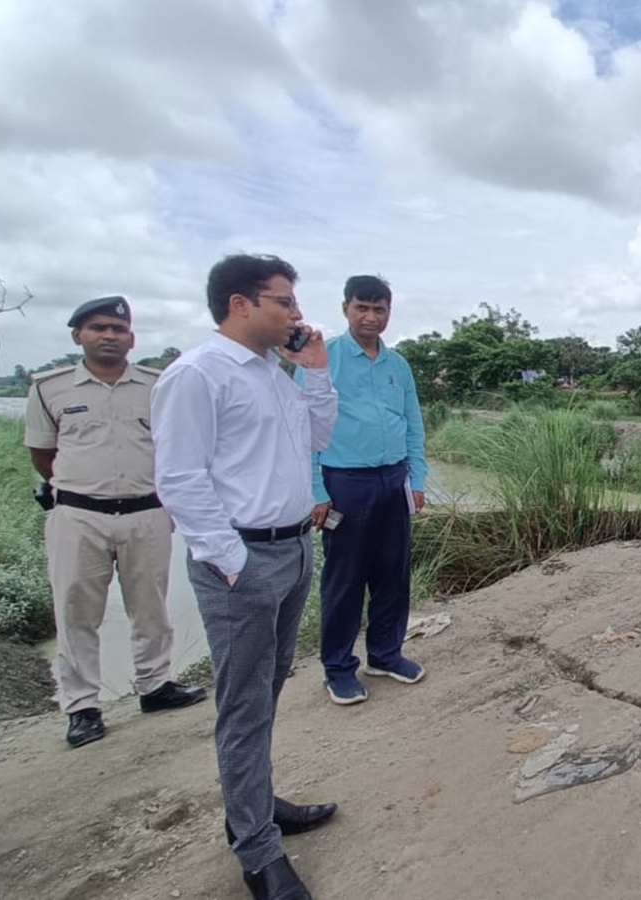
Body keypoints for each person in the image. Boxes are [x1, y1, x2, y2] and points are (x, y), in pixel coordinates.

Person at [151, 255, 340, 900]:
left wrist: (315, 372)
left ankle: (254, 806)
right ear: (240, 303)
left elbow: (318, 438)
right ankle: (258, 853)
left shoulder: (274, 374)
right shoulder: (196, 376)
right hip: (243, 562)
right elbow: (179, 478)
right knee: (243, 706)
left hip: (293, 551)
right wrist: (230, 560)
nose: (296, 314)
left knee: (266, 693)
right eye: (284, 302)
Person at [24, 296, 207, 748]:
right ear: (78, 336)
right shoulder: (51, 388)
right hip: (80, 515)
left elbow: (174, 446)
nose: (109, 335)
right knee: (76, 612)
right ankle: (83, 706)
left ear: (132, 338)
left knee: (151, 606)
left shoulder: (156, 384)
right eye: (98, 328)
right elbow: (43, 454)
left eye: (118, 329)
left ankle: (155, 685)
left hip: (146, 510)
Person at [303, 275, 429, 706]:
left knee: (393, 573)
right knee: (344, 579)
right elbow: (305, 431)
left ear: (389, 313)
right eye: (362, 308)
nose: (371, 317)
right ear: (345, 309)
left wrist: (418, 479)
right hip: (344, 483)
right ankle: (338, 668)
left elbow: (413, 422)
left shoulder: (398, 365)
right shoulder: (324, 359)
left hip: (393, 479)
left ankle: (386, 654)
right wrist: (317, 489)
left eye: (379, 310)